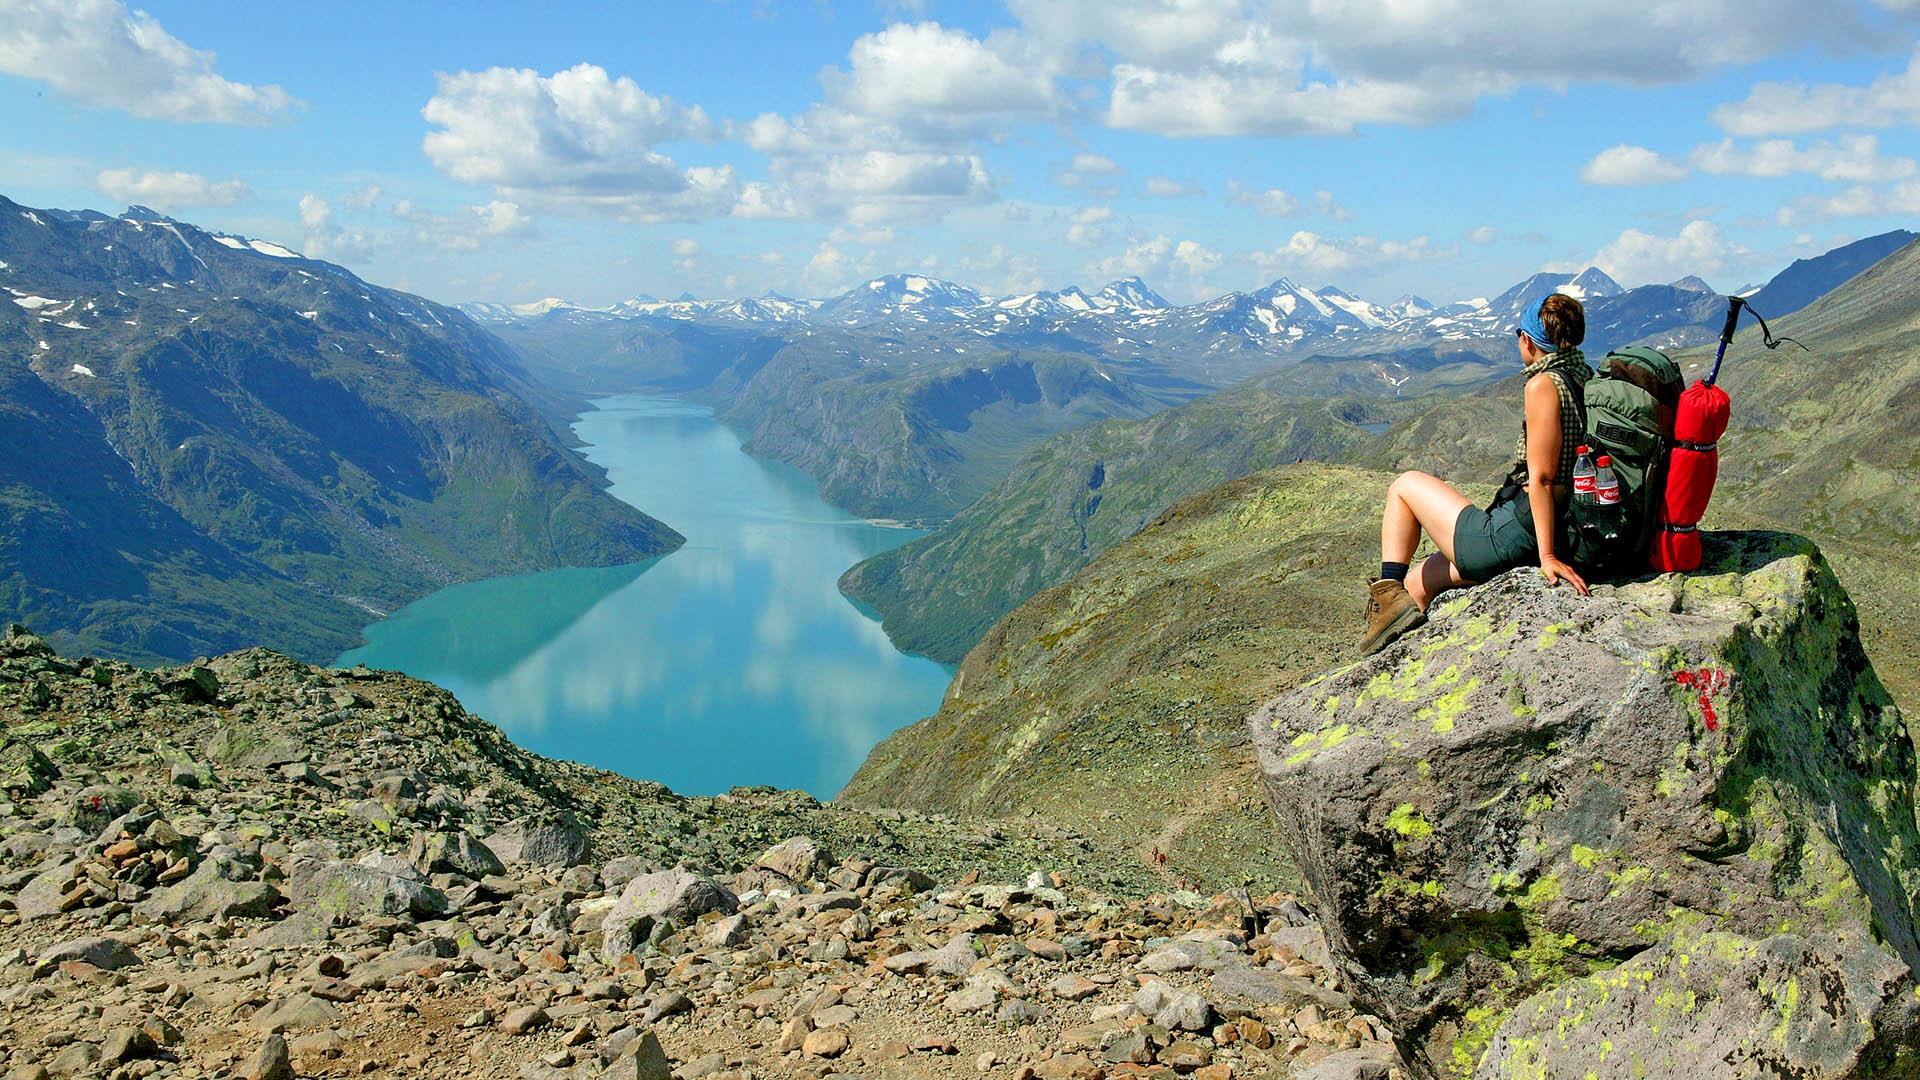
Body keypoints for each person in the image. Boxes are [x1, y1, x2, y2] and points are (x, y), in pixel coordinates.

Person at [1360, 293, 1593, 655]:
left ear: (1528, 340)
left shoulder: (1544, 384)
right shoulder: (1583, 376)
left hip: (1516, 539)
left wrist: (1546, 557)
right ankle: (1403, 656)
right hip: (1561, 530)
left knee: (1404, 486)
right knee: (1417, 582)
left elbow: (1542, 478)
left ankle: (1386, 594)